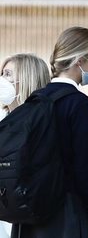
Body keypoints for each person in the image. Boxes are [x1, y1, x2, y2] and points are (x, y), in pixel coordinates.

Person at [11, 26, 88, 238]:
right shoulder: (80, 104)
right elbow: (84, 164)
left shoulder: (35, 99)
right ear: (80, 60)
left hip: (30, 211)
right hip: (65, 213)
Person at [0, 53, 51, 238]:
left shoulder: (43, 123)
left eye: (8, 74)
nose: (2, 80)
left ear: (28, 78)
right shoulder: (3, 119)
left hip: (29, 217)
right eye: (2, 73)